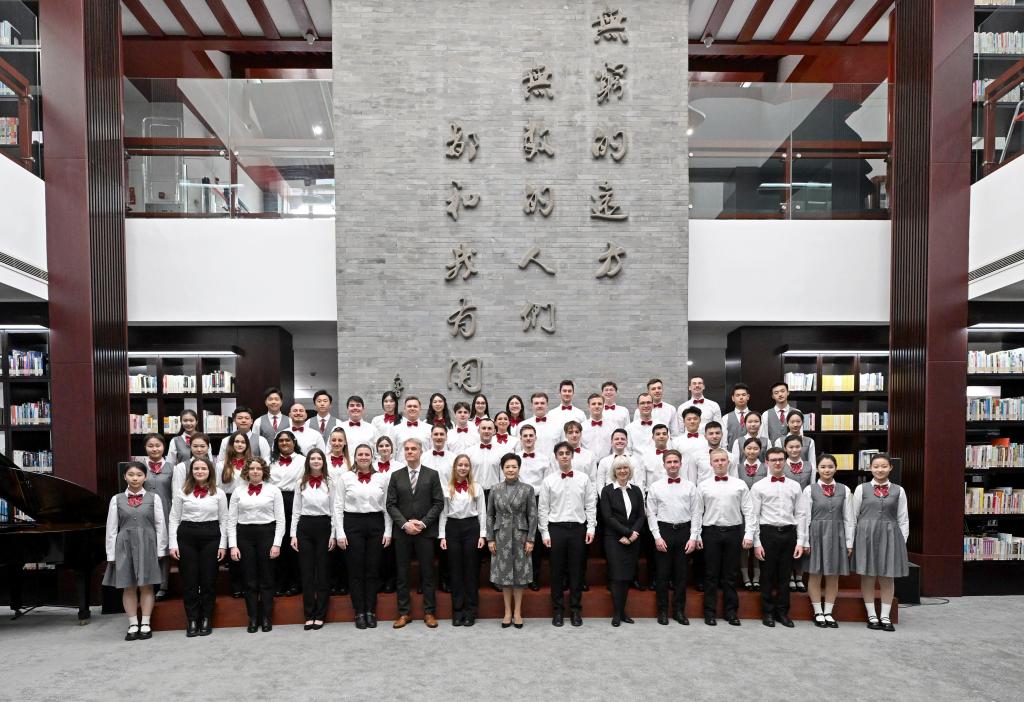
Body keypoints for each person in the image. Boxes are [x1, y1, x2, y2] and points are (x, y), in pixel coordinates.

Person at [104, 461, 167, 641]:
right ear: (124, 477)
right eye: (131, 474)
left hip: (148, 544)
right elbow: (111, 528)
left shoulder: (154, 498)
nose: (135, 478)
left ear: (145, 477)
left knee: (147, 585)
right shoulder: (116, 499)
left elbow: (160, 525)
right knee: (128, 585)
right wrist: (111, 554)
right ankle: (132, 623)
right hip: (124, 545)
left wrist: (161, 549)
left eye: (139, 475)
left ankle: (145, 622)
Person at [746, 447, 807, 628]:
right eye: (773, 460)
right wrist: (756, 543)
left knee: (785, 576)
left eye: (781, 459)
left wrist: (801, 541)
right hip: (768, 533)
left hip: (789, 533)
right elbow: (754, 516)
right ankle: (767, 613)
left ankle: (782, 613)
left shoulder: (795, 486)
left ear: (785, 461)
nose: (778, 463)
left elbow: (801, 514)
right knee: (767, 575)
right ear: (766, 462)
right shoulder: (758, 486)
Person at [387, 439, 445, 629]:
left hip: (424, 531)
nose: (410, 452)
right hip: (403, 532)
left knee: (427, 573)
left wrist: (422, 523)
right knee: (402, 574)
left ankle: (429, 612)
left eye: (414, 449)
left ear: (421, 452)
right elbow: (390, 504)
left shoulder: (432, 474)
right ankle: (404, 613)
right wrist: (405, 524)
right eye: (407, 449)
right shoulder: (396, 476)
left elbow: (438, 503)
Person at [539, 441, 597, 627]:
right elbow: (543, 509)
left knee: (576, 572)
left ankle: (575, 610)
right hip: (556, 529)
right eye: (561, 453)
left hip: (578, 529)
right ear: (556, 457)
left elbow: (590, 504)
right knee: (556, 572)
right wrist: (545, 533)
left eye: (567, 453)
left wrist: (591, 528)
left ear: (572, 456)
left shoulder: (584, 479)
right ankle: (557, 611)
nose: (564, 456)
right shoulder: (548, 481)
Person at [169, 456, 227, 637]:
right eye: (196, 469)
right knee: (190, 581)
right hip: (187, 537)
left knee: (208, 581)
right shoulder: (181, 492)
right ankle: (192, 619)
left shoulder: (219, 493)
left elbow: (224, 520)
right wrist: (173, 544)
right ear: (191, 472)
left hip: (211, 536)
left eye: (203, 468)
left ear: (210, 471)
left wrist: (223, 545)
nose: (200, 471)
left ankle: (206, 618)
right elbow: (174, 518)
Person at [337, 444, 393, 629]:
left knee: (372, 570)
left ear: (372, 456)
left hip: (376, 523)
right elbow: (338, 506)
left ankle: (370, 611)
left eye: (367, 454)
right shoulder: (345, 478)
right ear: (355, 457)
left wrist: (388, 530)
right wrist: (340, 532)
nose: (363, 457)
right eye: (360, 454)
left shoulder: (381, 478)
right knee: (356, 571)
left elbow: (387, 507)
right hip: (352, 524)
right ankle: (359, 611)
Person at [697, 448, 753, 626]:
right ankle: (709, 613)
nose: (720, 463)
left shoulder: (740, 484)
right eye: (716, 460)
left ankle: (731, 612)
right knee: (710, 574)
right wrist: (696, 535)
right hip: (710, 532)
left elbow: (749, 511)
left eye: (723, 460)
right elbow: (697, 512)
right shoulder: (703, 485)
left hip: (733, 532)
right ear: (711, 463)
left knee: (730, 574)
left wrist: (749, 533)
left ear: (728, 462)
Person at [853, 453, 909, 632]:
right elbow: (853, 516)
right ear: (870, 468)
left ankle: (885, 615)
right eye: (876, 466)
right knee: (868, 576)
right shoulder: (861, 489)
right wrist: (852, 541)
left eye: (884, 466)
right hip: (866, 536)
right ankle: (871, 614)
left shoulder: (899, 490)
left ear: (890, 468)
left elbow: (903, 519)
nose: (880, 470)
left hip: (890, 536)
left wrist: (901, 542)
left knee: (887, 576)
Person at [228, 458, 285, 633]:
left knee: (267, 578)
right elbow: (231, 521)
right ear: (246, 471)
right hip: (244, 536)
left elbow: (281, 520)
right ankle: (253, 618)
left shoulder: (274, 490)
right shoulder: (238, 491)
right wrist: (233, 545)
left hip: (267, 534)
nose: (255, 471)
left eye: (258, 468)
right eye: (252, 468)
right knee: (249, 579)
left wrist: (277, 544)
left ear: (264, 471)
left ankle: (266, 617)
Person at [647, 450, 702, 626]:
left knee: (681, 575)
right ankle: (662, 611)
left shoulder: (690, 487)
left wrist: (693, 537)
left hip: (684, 532)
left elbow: (696, 513)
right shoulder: (655, 487)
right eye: (669, 462)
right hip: (664, 531)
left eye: (675, 462)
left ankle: (679, 611)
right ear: (664, 465)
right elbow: (651, 514)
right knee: (662, 575)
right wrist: (657, 537)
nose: (672, 465)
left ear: (680, 464)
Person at [800, 453, 855, 628]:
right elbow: (804, 517)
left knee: (833, 575)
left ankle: (828, 612)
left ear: (836, 469)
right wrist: (805, 541)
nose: (826, 470)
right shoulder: (809, 490)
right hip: (816, 534)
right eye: (823, 467)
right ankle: (818, 611)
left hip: (837, 534)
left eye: (830, 467)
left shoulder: (845, 490)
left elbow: (849, 518)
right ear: (817, 469)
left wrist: (849, 542)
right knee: (815, 574)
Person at [487, 453, 538, 629]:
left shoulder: (527, 489)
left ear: (519, 469)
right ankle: (507, 612)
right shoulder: (495, 489)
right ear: (502, 469)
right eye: (507, 467)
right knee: (504, 575)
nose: (510, 470)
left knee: (519, 576)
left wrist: (531, 539)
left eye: (514, 467)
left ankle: (517, 612)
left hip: (520, 536)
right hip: (501, 536)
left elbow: (533, 516)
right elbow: (490, 515)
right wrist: (490, 539)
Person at [290, 448, 337, 630]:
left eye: (319, 458)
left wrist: (333, 534)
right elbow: (296, 510)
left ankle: (321, 614)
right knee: (307, 572)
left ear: (323, 462)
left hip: (324, 526)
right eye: (313, 458)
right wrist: (293, 534)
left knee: (323, 572)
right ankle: (309, 614)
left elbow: (334, 510)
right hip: (305, 527)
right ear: (308, 461)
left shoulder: (330, 483)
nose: (316, 461)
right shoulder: (300, 483)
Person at [440, 454, 487, 626]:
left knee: (471, 571)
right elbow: (443, 513)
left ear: (470, 468)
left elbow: (482, 512)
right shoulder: (447, 488)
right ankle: (457, 611)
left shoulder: (476, 487)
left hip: (471, 528)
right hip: (452, 529)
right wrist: (442, 536)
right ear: (455, 467)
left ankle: (470, 611)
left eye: (466, 465)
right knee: (455, 571)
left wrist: (482, 535)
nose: (463, 468)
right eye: (460, 465)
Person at [600, 456, 645, 626]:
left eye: (625, 467)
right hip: (614, 538)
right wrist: (627, 533)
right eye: (619, 468)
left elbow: (641, 515)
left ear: (630, 470)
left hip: (633, 538)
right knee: (617, 576)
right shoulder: (607, 491)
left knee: (626, 576)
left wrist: (633, 534)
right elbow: (608, 517)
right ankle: (617, 614)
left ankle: (623, 612)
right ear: (614, 471)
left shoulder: (636, 490)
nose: (623, 471)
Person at [268, 430, 304, 596]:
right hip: (274, 501)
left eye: (287, 440)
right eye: (281, 441)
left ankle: (296, 583)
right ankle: (279, 582)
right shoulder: (270, 461)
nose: (284, 443)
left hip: (293, 500)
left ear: (294, 442)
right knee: (278, 542)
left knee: (293, 542)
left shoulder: (303, 460)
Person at [216, 431, 251, 598]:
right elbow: (217, 487)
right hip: (227, 500)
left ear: (247, 445)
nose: (239, 444)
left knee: (244, 542)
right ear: (231, 444)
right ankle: (236, 585)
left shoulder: (252, 463)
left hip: (246, 501)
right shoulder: (221, 464)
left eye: (243, 442)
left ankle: (247, 584)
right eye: (236, 441)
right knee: (232, 541)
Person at [517, 425, 551, 591]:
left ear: (535, 438)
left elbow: (547, 483)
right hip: (518, 500)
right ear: (520, 439)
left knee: (535, 540)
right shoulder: (515, 458)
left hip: (538, 499)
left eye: (531, 435)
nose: (528, 438)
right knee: (519, 538)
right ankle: (519, 576)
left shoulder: (544, 459)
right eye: (525, 436)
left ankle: (533, 577)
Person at [141, 433, 173, 600]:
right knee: (147, 547)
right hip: (144, 513)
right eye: (150, 446)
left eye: (158, 445)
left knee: (164, 547)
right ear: (145, 448)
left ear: (164, 447)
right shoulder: (139, 468)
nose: (154, 449)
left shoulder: (172, 468)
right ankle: (148, 585)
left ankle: (163, 586)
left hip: (166, 511)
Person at [737, 437, 768, 591]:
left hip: (761, 511)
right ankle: (745, 577)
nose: (752, 451)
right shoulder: (737, 468)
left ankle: (756, 577)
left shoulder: (766, 467)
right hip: (742, 512)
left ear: (760, 450)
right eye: (749, 448)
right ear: (744, 450)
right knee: (744, 545)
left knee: (758, 542)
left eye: (755, 448)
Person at [520, 392, 564, 457]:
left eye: (542, 403)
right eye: (536, 403)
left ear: (547, 405)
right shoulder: (522, 425)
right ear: (532, 405)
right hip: (530, 462)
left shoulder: (559, 425)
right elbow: (519, 449)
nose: (539, 406)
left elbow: (563, 447)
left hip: (553, 463)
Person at [564, 420, 598, 484]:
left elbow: (593, 480)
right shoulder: (557, 455)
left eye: (577, 432)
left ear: (581, 434)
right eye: (570, 432)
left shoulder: (590, 455)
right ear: (565, 435)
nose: (574, 435)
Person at [582, 393, 614, 460]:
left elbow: (614, 449)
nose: (597, 406)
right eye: (593, 404)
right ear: (589, 406)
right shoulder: (582, 427)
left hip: (606, 464)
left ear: (603, 406)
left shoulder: (612, 427)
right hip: (588, 463)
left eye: (599, 404)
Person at [722, 383, 753, 451]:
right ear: (733, 398)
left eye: (743, 395)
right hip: (732, 454)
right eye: (737, 395)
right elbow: (724, 442)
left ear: (748, 397)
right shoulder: (725, 418)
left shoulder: (756, 417)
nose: (741, 397)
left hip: (752, 453)